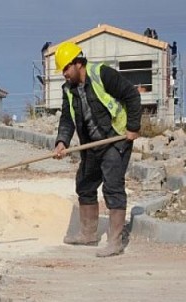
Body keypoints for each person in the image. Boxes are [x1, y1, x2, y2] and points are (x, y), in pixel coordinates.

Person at [52, 42, 141, 257]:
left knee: (112, 187)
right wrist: (62, 141)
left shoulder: (102, 74)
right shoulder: (68, 90)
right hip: (91, 143)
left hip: (114, 139)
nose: (64, 74)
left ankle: (115, 242)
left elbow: (132, 95)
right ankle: (88, 234)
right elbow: (67, 118)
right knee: (84, 183)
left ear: (78, 63)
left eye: (66, 68)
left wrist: (133, 127)